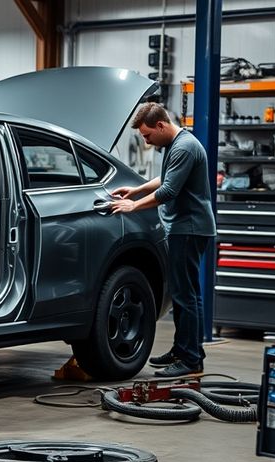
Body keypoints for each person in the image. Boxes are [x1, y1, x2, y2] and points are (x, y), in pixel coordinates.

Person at [110, 102, 216, 378]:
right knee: (188, 293)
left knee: (184, 295)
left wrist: (134, 206)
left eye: (147, 136)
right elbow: (164, 178)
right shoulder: (177, 144)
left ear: (160, 125)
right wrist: (136, 190)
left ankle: (190, 360)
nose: (146, 142)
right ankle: (186, 350)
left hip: (188, 228)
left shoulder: (184, 147)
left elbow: (168, 190)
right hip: (187, 227)